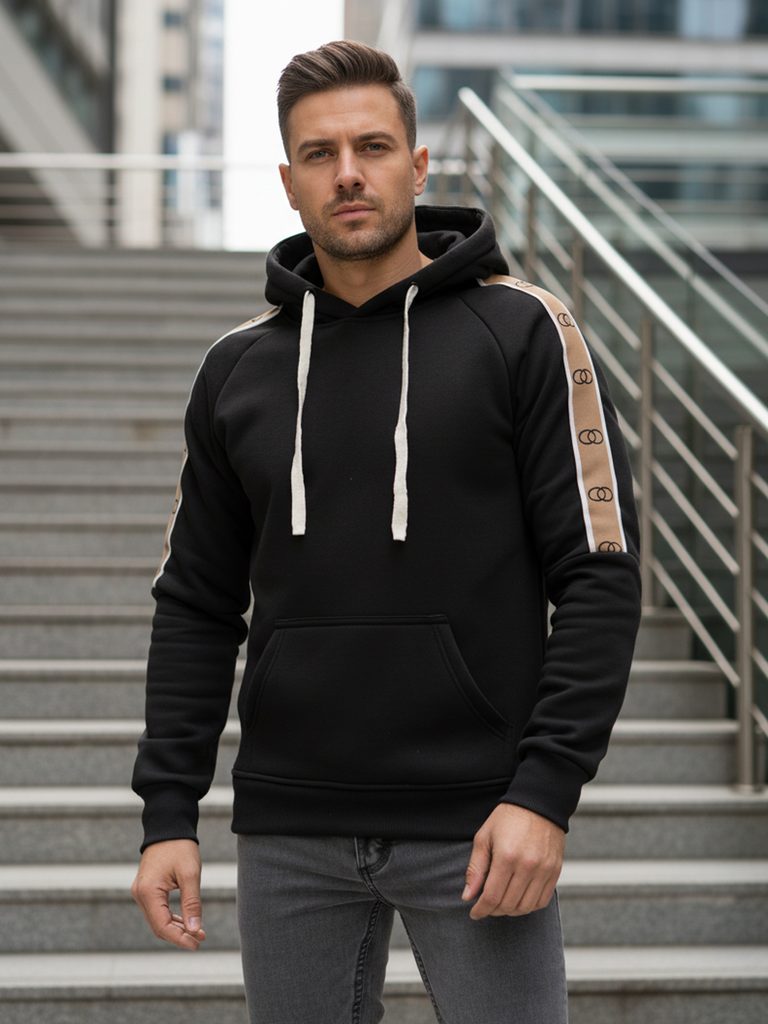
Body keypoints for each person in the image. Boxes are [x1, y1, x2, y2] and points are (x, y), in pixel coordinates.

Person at [131, 39, 642, 1024]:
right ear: (289, 182)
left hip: (480, 824)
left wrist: (544, 793)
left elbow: (599, 572)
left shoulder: (526, 333)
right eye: (319, 154)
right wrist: (167, 814)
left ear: (418, 164)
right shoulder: (236, 371)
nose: (348, 173)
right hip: (289, 828)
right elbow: (195, 605)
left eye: (372, 146)